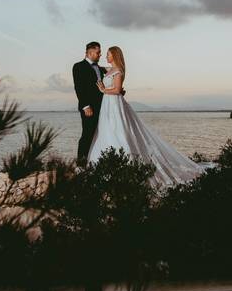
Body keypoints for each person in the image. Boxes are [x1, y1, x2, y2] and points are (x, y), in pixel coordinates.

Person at [87, 46, 209, 187]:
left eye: (108, 54)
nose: (105, 56)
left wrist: (103, 90)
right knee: (106, 130)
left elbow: (117, 90)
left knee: (118, 130)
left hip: (114, 104)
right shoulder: (109, 70)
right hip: (107, 105)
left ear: (114, 55)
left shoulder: (118, 71)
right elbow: (99, 69)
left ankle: (125, 165)